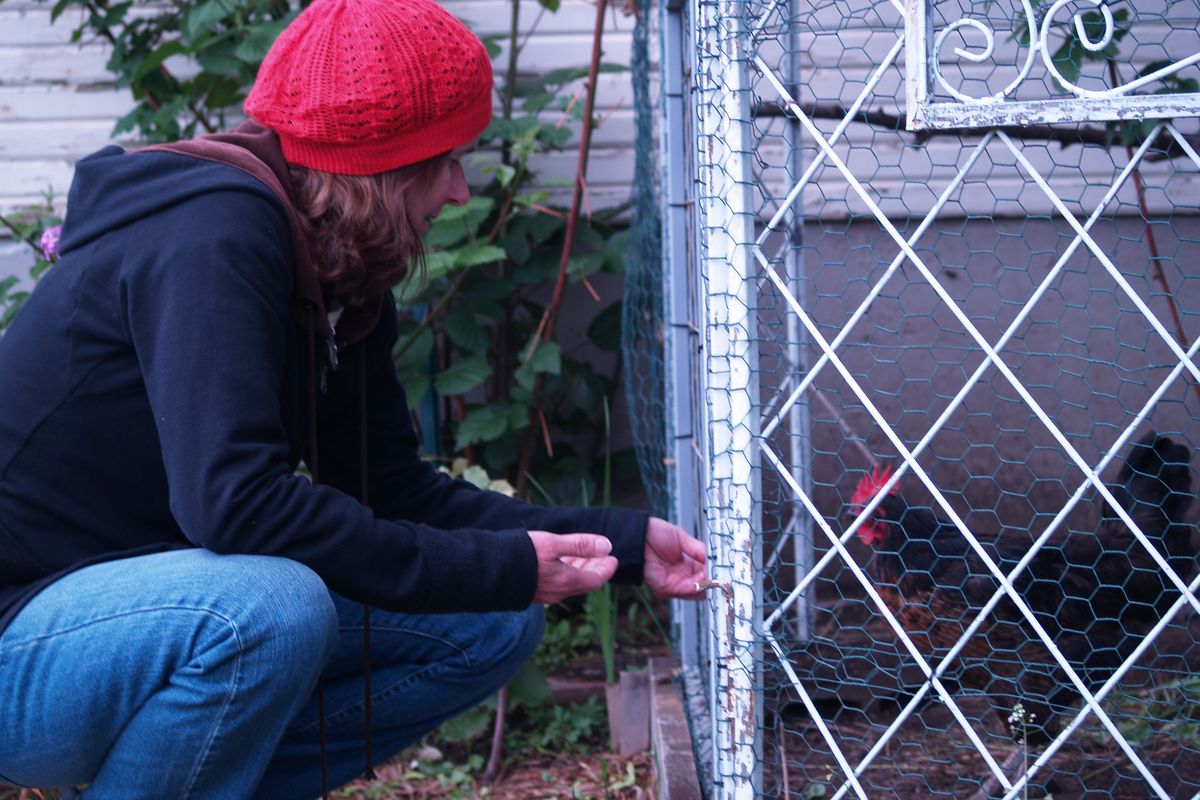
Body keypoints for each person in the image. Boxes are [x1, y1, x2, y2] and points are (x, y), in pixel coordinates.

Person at [0, 0, 707, 797]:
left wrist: (619, 541)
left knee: (492, 618)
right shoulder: (214, 237)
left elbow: (392, 493)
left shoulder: (337, 264)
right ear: (385, 164)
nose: (460, 190)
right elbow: (234, 506)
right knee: (269, 609)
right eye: (446, 161)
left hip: (131, 616)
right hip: (23, 641)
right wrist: (499, 562)